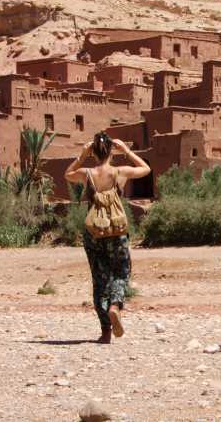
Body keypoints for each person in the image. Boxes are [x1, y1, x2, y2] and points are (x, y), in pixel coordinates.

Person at [65, 132, 151, 344]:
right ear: (112, 151)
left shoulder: (87, 174)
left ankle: (105, 332)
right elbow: (146, 169)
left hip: (93, 231)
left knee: (99, 279)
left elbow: (68, 174)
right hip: (117, 231)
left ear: (94, 152)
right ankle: (115, 305)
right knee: (121, 271)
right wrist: (127, 151)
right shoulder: (119, 172)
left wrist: (82, 154)